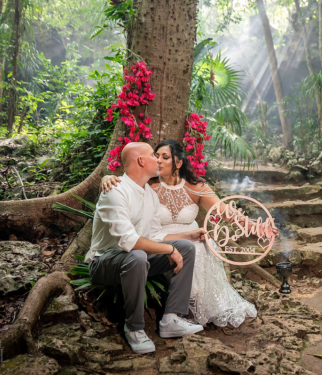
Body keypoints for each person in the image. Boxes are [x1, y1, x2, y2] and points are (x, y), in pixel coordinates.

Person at [100, 139, 276, 327]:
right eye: (156, 156)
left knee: (202, 246)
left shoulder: (196, 187)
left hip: (191, 235)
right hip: (159, 238)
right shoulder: (148, 187)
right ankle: (182, 311)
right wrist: (106, 177)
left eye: (165, 157)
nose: (158, 160)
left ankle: (204, 307)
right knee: (189, 248)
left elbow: (226, 212)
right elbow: (127, 184)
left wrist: (257, 228)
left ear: (178, 162)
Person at [85, 142, 206, 354]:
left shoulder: (149, 193)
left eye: (161, 156)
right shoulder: (114, 190)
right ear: (141, 161)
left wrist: (186, 236)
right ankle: (134, 328)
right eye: (153, 155)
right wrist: (168, 250)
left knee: (186, 247)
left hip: (137, 258)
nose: (158, 160)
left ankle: (171, 319)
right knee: (138, 255)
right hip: (104, 263)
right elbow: (128, 241)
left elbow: (153, 235)